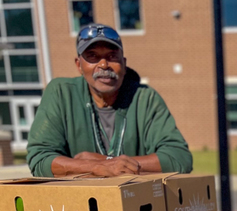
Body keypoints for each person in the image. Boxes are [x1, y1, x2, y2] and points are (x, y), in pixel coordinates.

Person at [26, 23, 193, 177]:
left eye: (112, 56)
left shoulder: (145, 98)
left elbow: (180, 158)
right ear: (79, 65)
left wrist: (107, 162)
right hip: (78, 203)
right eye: (92, 56)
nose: (104, 65)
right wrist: (95, 167)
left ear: (124, 63)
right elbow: (40, 159)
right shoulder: (61, 93)